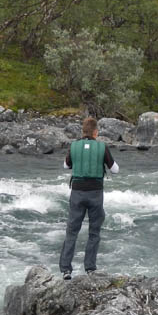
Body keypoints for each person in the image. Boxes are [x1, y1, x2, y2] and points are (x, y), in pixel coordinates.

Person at [59, 117, 118, 279]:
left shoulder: (74, 146)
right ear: (95, 132)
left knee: (72, 231)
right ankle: (90, 268)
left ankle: (66, 270)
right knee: (94, 232)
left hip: (77, 193)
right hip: (95, 194)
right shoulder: (102, 147)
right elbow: (115, 170)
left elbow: (66, 165)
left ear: (82, 132)